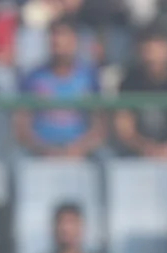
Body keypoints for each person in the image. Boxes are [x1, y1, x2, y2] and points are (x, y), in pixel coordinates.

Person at [13, 18, 105, 159]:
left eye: (63, 35)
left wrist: (79, 149)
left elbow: (100, 125)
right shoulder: (32, 78)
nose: (57, 41)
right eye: (54, 35)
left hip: (81, 152)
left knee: (105, 158)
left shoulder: (89, 78)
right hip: (39, 152)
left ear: (75, 40)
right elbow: (21, 126)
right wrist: (44, 150)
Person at [114, 26, 167, 164]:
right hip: (138, 154)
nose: (153, 56)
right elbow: (124, 130)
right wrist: (147, 149)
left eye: (158, 49)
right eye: (148, 50)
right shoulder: (128, 83)